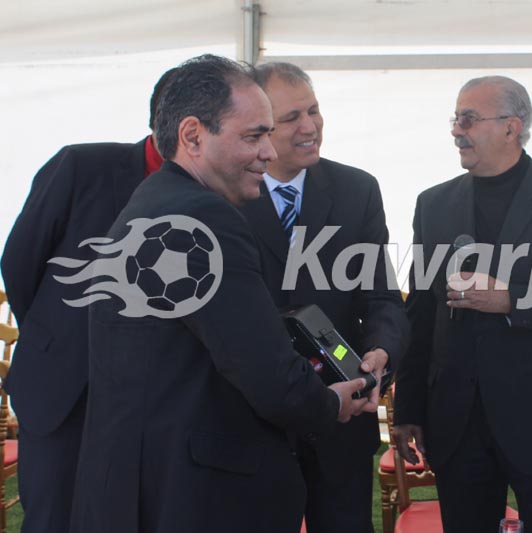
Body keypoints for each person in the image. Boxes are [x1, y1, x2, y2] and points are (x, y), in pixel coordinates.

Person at [68, 54, 371, 533]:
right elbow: (265, 370)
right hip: (198, 493)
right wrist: (332, 402)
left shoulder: (153, 200)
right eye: (253, 136)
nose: (268, 153)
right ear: (193, 136)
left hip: (143, 479)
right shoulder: (206, 219)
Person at [392, 76, 532, 533]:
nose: (457, 129)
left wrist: (512, 300)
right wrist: (409, 409)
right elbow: (421, 312)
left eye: (469, 118)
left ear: (512, 127)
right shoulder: (433, 204)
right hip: (457, 422)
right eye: (455, 118)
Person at [0, 66, 176, 533]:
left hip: (159, 402)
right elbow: (20, 264)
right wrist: (57, 335)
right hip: (66, 390)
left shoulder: (224, 189)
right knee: (54, 517)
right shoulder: (81, 166)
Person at [238, 62, 409, 533]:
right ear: (258, 126)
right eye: (292, 117)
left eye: (314, 110)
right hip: (250, 425)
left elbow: (382, 299)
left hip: (341, 427)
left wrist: (381, 353)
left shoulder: (357, 190)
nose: (310, 126)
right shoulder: (222, 194)